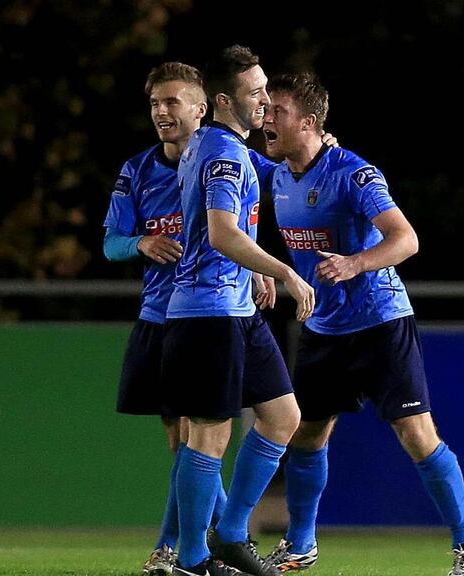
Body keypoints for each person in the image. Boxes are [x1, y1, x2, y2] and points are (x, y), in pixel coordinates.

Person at [255, 72, 464, 576]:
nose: (267, 120)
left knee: (417, 435)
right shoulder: (273, 172)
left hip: (380, 321)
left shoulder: (354, 173)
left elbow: (407, 239)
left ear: (310, 123)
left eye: (278, 112)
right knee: (306, 436)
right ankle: (300, 545)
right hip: (324, 327)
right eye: (266, 110)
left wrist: (355, 263)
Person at [160, 45, 315, 576]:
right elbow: (224, 232)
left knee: (282, 416)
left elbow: (232, 215)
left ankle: (228, 534)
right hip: (208, 312)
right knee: (208, 433)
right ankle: (191, 559)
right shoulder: (224, 154)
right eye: (255, 93)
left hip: (233, 307)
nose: (266, 100)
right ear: (224, 100)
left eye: (267, 89)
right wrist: (283, 271)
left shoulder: (211, 143)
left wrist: (250, 270)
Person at [103, 61, 226, 576]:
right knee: (181, 439)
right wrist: (141, 241)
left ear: (201, 108)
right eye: (156, 103)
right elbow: (111, 245)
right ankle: (224, 541)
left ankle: (174, 547)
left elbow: (271, 197)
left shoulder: (224, 157)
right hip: (159, 318)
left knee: (202, 432)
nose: (162, 112)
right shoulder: (137, 170)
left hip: (213, 314)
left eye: (173, 101)